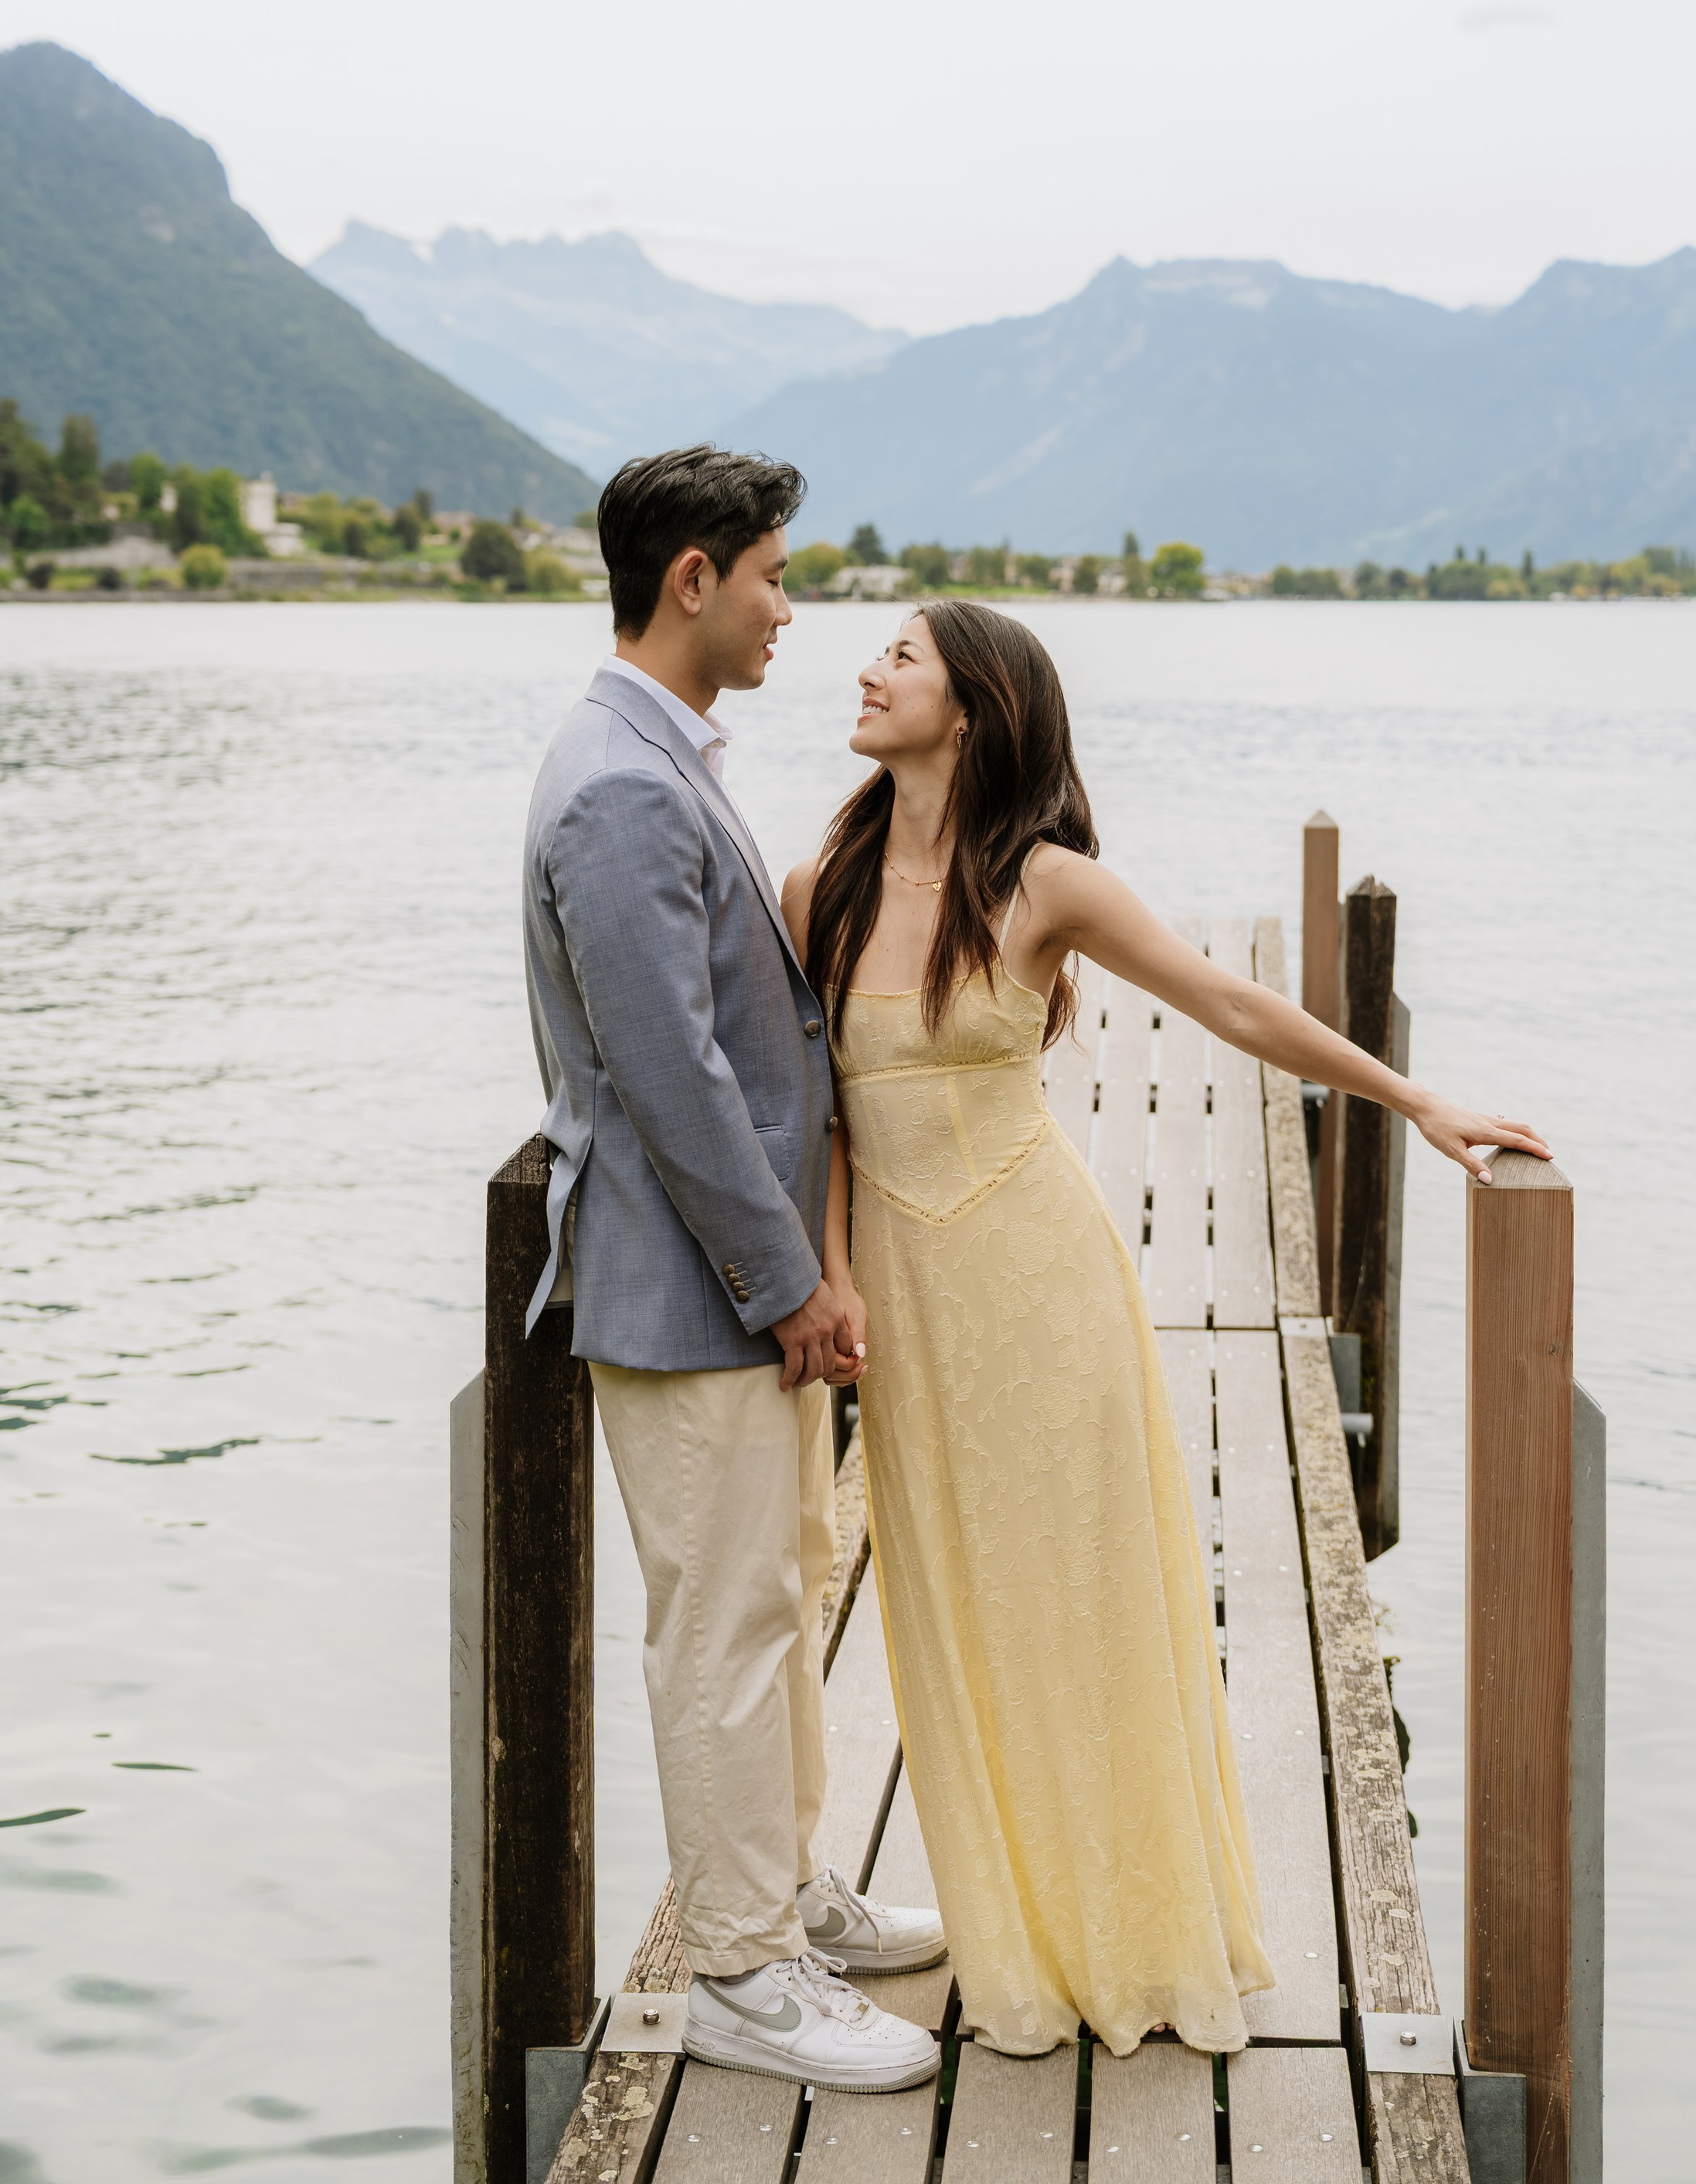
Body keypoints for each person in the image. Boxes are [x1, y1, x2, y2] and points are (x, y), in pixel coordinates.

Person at [782, 598, 1549, 2060]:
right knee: (954, 1608)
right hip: (911, 1303)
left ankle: (1133, 1933)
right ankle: (1018, 1937)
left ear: (974, 707)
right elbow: (813, 1108)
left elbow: (1229, 1005)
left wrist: (1412, 1098)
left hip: (1045, 1279)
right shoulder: (822, 885)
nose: (869, 670)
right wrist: (829, 1269)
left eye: (903, 655)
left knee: (1086, 1598)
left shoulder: (1045, 884)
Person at [522, 447, 943, 2094]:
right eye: (772, 575)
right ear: (691, 579)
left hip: (724, 1287)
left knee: (772, 1596)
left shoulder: (658, 757)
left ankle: (785, 1894)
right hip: (691, 1288)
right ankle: (739, 1973)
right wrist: (793, 1282)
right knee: (723, 1629)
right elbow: (672, 1078)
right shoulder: (619, 785)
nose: (788, 608)